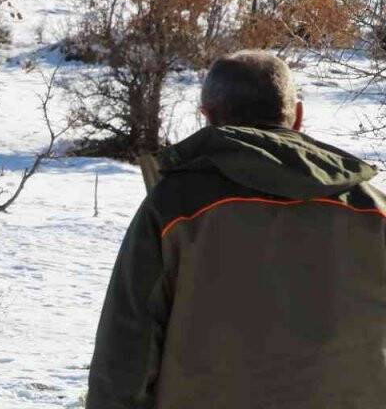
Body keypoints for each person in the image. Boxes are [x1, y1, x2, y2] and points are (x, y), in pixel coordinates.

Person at [87, 51, 386, 409]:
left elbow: (127, 349)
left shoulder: (175, 207)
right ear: (298, 116)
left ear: (208, 116)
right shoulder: (374, 210)